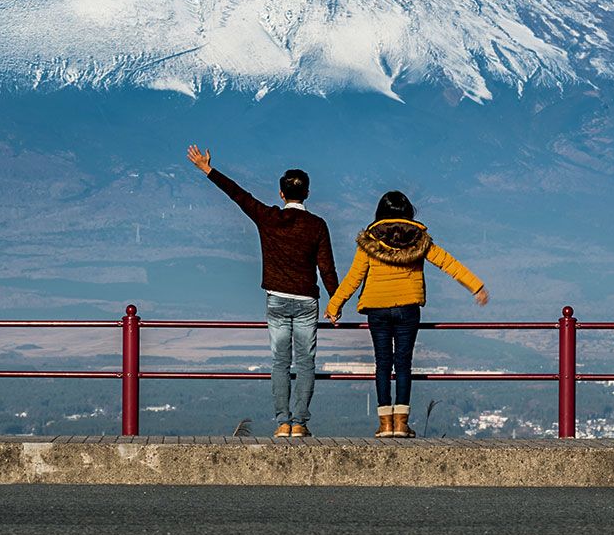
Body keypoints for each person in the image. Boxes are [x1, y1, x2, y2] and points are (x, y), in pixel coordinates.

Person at [187, 145, 338, 438]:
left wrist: (207, 169)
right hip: (307, 300)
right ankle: (300, 423)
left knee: (280, 362)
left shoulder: (268, 217)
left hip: (277, 299)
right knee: (306, 363)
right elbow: (327, 268)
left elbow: (239, 195)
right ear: (307, 193)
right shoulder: (317, 225)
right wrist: (336, 302)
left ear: (281, 194)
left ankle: (282, 422)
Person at [326, 190, 489, 438]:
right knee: (403, 363)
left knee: (383, 363)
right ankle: (401, 424)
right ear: (408, 213)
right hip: (407, 308)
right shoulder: (419, 240)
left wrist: (334, 306)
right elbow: (448, 263)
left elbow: (354, 277)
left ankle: (385, 424)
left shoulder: (369, 242)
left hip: (377, 309)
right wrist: (476, 286)